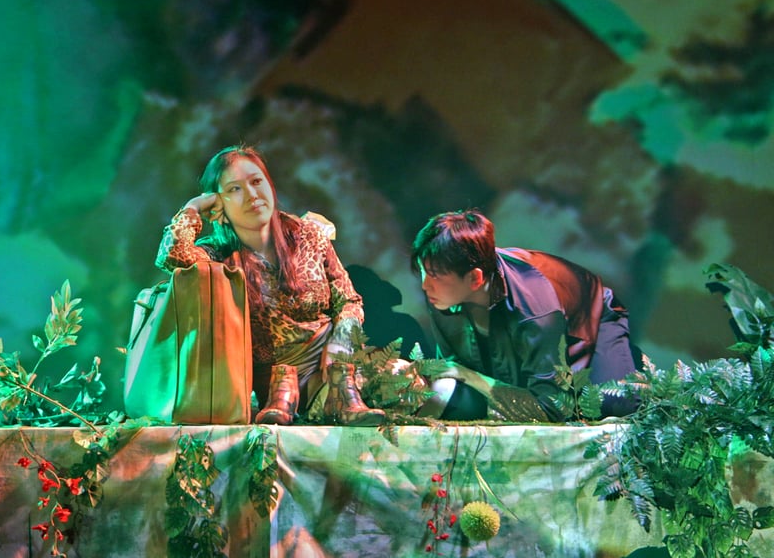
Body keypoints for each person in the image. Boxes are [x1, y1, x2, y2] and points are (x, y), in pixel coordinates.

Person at [156, 145, 384, 426]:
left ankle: (337, 398)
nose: (252, 195)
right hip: (273, 388)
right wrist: (194, 207)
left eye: (256, 181)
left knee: (411, 384)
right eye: (234, 189)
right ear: (218, 204)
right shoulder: (216, 254)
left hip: (333, 368)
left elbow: (349, 301)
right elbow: (171, 256)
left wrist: (341, 342)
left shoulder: (309, 234)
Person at [410, 209, 639, 422]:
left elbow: (552, 406)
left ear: (475, 278)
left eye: (435, 276)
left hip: (592, 317)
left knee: (614, 406)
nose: (425, 285)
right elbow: (453, 373)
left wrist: (469, 375)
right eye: (422, 271)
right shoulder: (444, 293)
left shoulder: (534, 307)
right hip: (520, 324)